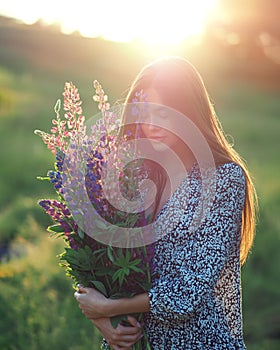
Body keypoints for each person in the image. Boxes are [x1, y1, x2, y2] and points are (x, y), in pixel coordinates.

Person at [74, 56, 258, 349]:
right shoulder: (135, 177)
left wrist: (108, 309)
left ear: (190, 113)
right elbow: (94, 261)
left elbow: (186, 294)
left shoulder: (223, 180)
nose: (151, 125)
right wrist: (103, 323)